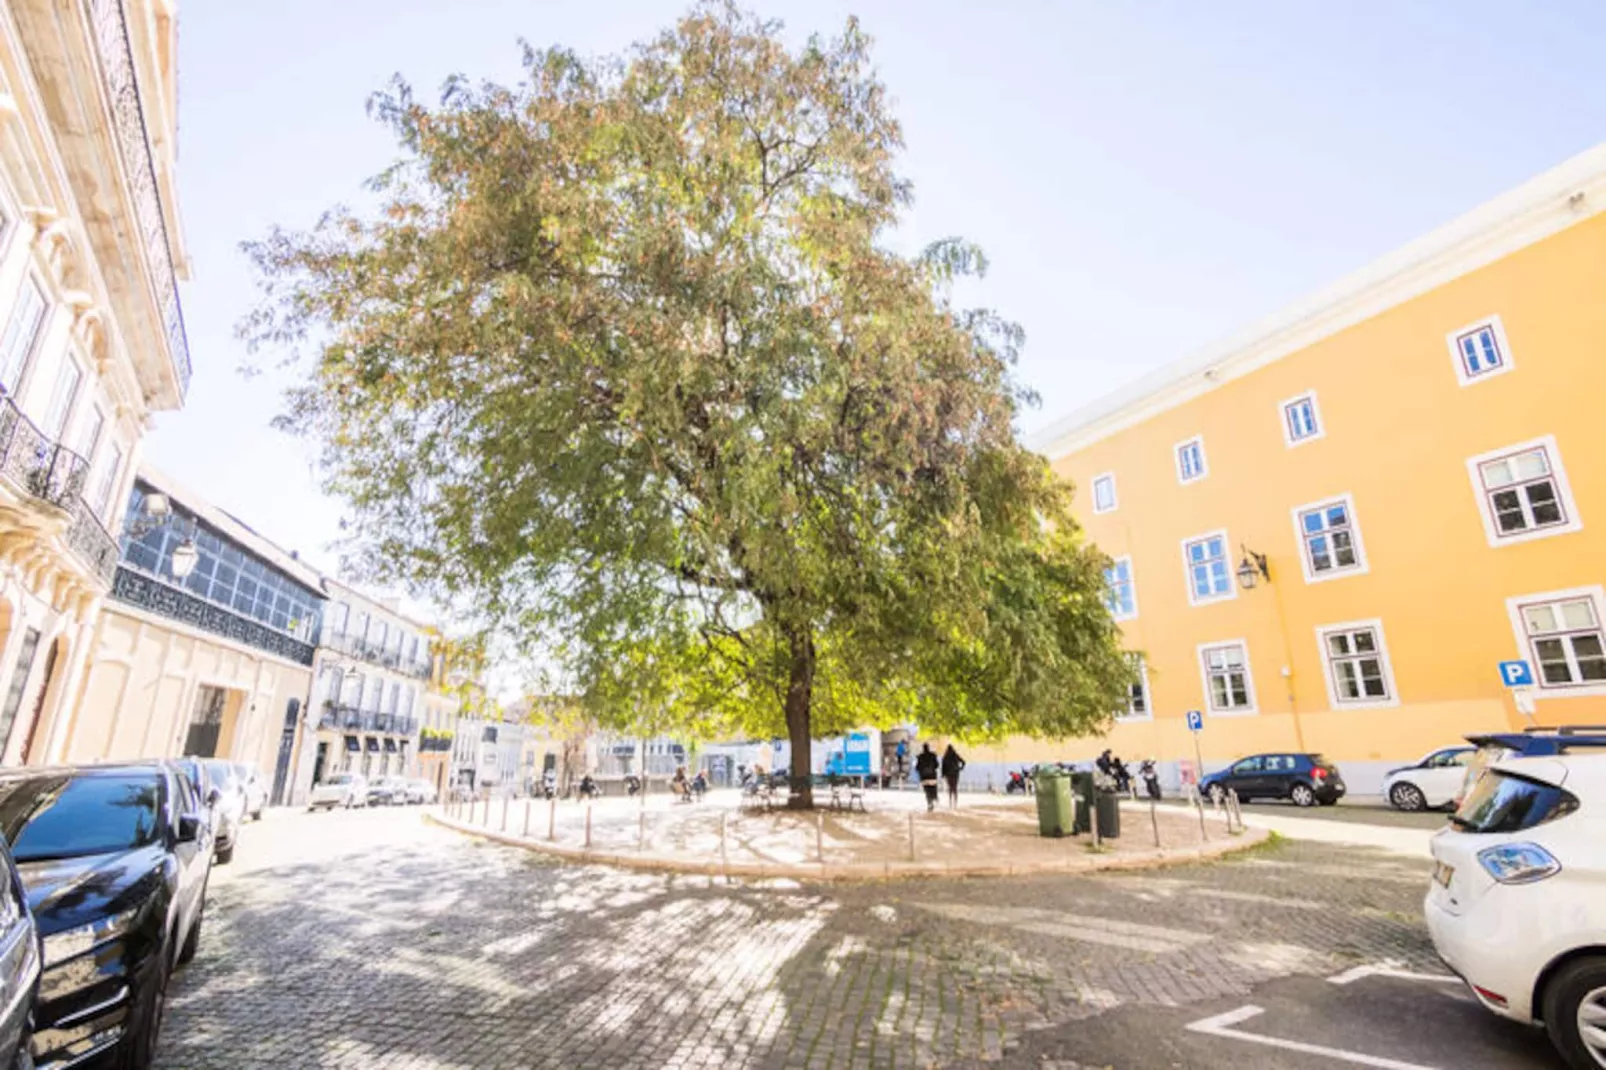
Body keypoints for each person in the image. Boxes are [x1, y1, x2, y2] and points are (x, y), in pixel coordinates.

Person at [914, 743, 940, 812]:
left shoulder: (920, 757)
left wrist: (920, 770)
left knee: (927, 791)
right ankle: (934, 797)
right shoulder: (933, 755)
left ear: (923, 748)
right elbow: (937, 765)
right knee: (933, 788)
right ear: (928, 748)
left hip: (924, 777)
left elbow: (917, 767)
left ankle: (929, 803)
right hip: (932, 776)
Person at [940, 744, 966, 809]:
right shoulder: (955, 755)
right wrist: (961, 768)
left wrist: (943, 774)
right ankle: (955, 802)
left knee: (950, 788)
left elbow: (943, 767)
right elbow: (963, 762)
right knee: (955, 787)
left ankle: (950, 802)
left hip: (948, 774)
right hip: (955, 773)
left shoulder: (945, 757)